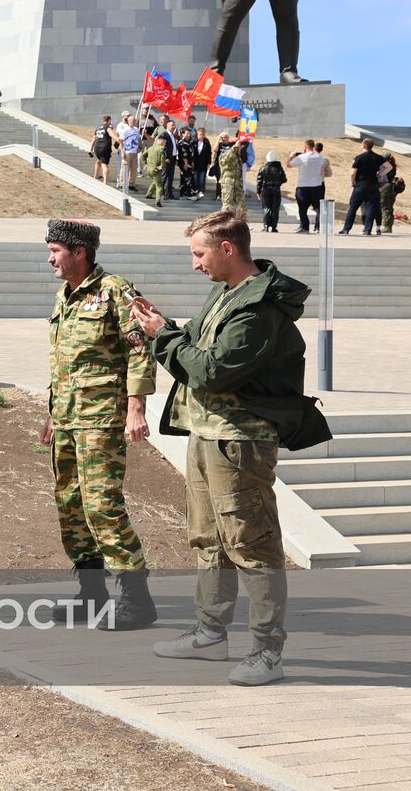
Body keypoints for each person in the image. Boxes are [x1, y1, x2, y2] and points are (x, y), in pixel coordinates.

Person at [132, 210, 310, 686]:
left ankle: (267, 651)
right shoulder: (227, 293)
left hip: (239, 441)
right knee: (209, 539)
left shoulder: (258, 308)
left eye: (199, 253)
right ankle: (210, 633)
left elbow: (211, 371)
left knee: (251, 544)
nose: (195, 265)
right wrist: (163, 327)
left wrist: (162, 338)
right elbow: (195, 344)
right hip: (207, 432)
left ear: (227, 249)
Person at [41, 220, 157, 630]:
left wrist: (135, 408)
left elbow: (141, 349)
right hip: (68, 420)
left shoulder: (116, 291)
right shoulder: (64, 297)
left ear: (80, 252)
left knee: (102, 505)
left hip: (102, 418)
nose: (50, 258)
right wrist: (53, 413)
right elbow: (64, 362)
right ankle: (91, 596)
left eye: (56, 250)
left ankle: (137, 599)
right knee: (71, 506)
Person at [338, 138, 387, 236]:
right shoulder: (378, 157)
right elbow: (389, 166)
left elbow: (352, 173)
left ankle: (346, 229)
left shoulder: (359, 157)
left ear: (364, 145)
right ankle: (367, 230)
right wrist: (380, 174)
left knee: (353, 207)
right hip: (373, 185)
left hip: (360, 185)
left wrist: (353, 183)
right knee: (371, 207)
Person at [290, 139, 331, 233]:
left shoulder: (301, 157)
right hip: (317, 185)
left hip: (303, 185)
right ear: (313, 146)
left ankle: (305, 227)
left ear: (305, 147)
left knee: (302, 208)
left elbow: (289, 165)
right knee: (318, 208)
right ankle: (318, 228)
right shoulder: (321, 158)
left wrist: (291, 156)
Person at [255, 149, 287, 232]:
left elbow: (259, 181)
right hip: (276, 190)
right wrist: (277, 182)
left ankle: (266, 226)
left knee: (266, 208)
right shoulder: (279, 168)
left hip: (265, 190)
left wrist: (258, 192)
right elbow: (284, 179)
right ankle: (274, 227)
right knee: (275, 209)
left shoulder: (263, 168)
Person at [219, 136, 250, 217]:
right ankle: (224, 224)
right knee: (227, 205)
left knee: (242, 205)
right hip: (228, 184)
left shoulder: (239, 157)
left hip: (237, 185)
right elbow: (224, 160)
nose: (242, 147)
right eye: (240, 145)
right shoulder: (226, 153)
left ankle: (242, 224)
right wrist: (234, 148)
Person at [143, 126, 166, 209]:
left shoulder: (150, 148)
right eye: (165, 141)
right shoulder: (162, 149)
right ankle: (158, 201)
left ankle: (149, 194)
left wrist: (145, 164)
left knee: (155, 181)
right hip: (156, 169)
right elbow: (162, 158)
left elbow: (143, 156)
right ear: (162, 142)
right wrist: (162, 166)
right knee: (159, 186)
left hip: (149, 169)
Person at [117, 113, 142, 191]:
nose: (134, 122)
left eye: (134, 121)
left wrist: (139, 147)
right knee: (125, 168)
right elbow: (121, 141)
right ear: (128, 121)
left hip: (135, 151)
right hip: (127, 151)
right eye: (132, 121)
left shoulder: (136, 129)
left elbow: (138, 139)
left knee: (134, 169)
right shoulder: (125, 130)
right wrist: (122, 152)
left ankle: (131, 184)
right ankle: (122, 183)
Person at [89, 114, 116, 184]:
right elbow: (111, 134)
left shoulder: (98, 128)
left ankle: (95, 176)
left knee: (98, 161)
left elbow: (93, 139)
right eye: (110, 121)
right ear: (109, 120)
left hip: (97, 148)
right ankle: (105, 181)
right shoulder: (108, 127)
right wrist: (118, 139)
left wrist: (91, 149)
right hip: (105, 147)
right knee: (104, 165)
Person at [378, 153, 400, 235]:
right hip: (391, 188)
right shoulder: (392, 165)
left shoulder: (385, 166)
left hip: (385, 187)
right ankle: (388, 226)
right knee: (389, 207)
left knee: (385, 207)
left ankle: (387, 227)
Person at [177, 127, 201, 201]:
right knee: (189, 178)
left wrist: (192, 162)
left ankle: (183, 193)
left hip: (189, 163)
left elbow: (191, 153)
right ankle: (190, 194)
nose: (188, 135)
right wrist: (186, 163)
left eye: (189, 134)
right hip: (184, 163)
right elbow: (183, 155)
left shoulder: (189, 142)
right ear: (182, 134)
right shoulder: (182, 143)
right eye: (186, 133)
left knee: (185, 179)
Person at [193, 127, 213, 198]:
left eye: (202, 135)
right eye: (200, 134)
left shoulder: (207, 143)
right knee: (195, 177)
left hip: (203, 163)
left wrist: (209, 163)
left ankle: (201, 190)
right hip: (195, 163)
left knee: (202, 177)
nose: (201, 136)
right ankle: (195, 189)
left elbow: (209, 153)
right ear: (197, 134)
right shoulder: (194, 142)